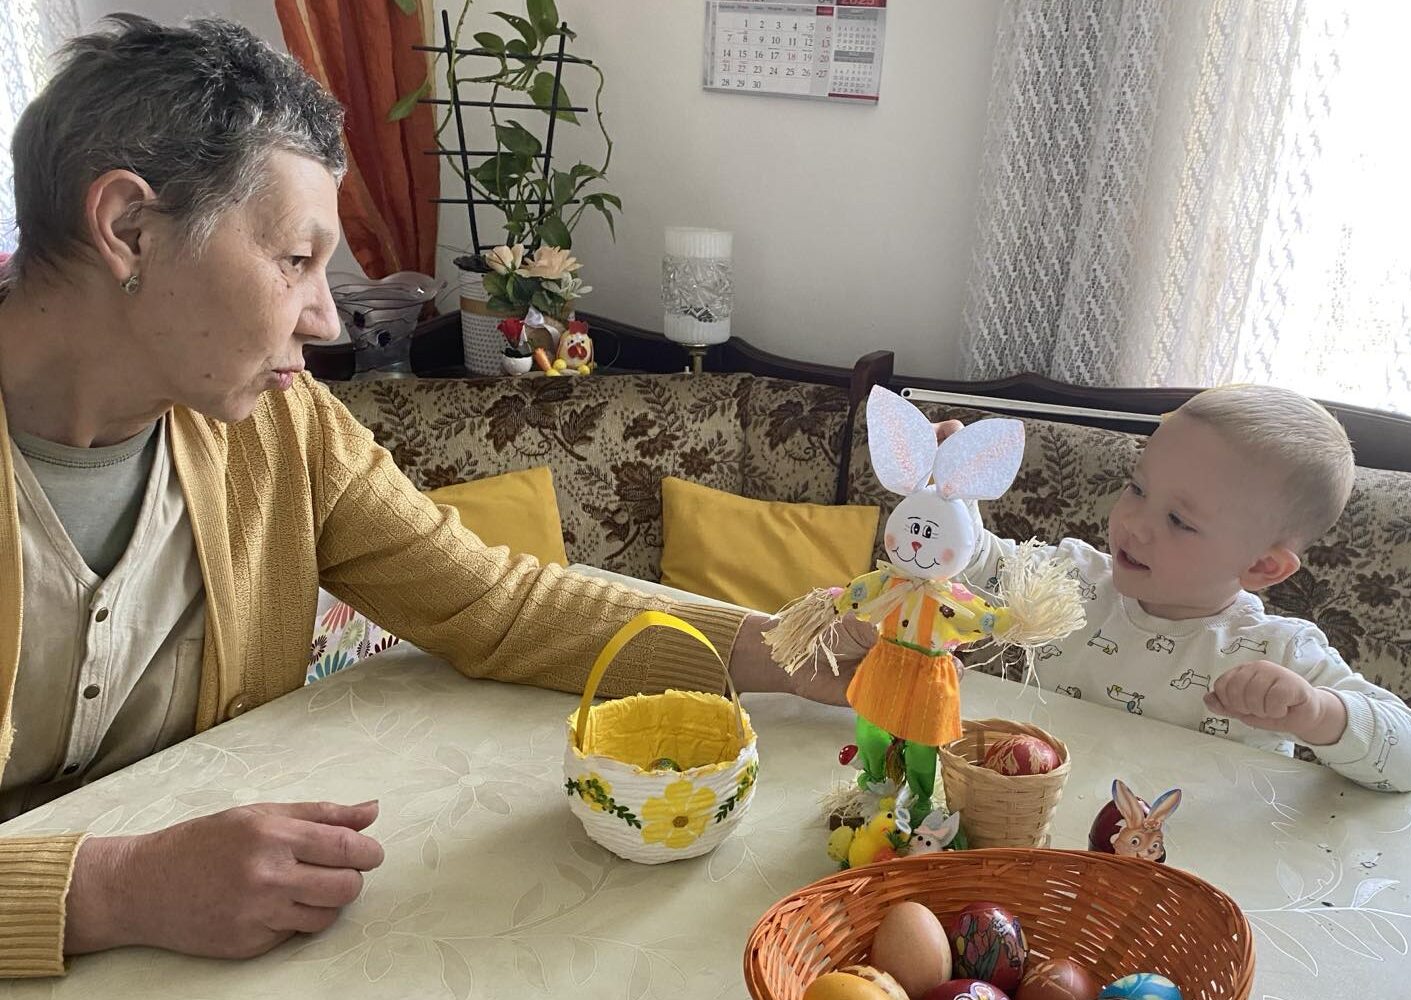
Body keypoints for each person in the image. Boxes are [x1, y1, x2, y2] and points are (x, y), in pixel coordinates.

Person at [0, 16, 860, 977]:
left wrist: (793, 647)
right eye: (295, 260)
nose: (326, 320)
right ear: (129, 228)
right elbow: (130, 887)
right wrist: (114, 889)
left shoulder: (281, 428)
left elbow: (496, 603)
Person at [941, 384, 1411, 792]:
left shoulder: (1276, 652)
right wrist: (948, 496)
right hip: (1040, 829)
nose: (1134, 524)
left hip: (1185, 859)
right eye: (1137, 488)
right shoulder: (1071, 582)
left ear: (1262, 566)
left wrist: (1317, 713)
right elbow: (973, 564)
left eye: (1179, 520)